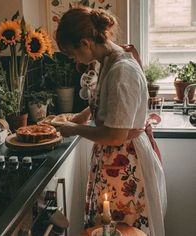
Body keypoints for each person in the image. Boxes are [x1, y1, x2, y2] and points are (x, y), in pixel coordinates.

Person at [56, 7, 167, 236]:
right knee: (105, 227)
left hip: (124, 160)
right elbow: (113, 103)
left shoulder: (122, 70)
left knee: (120, 228)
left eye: (72, 53)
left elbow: (115, 135)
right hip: (114, 158)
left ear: (85, 43)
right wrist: (83, 115)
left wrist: (74, 128)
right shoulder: (108, 60)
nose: (74, 60)